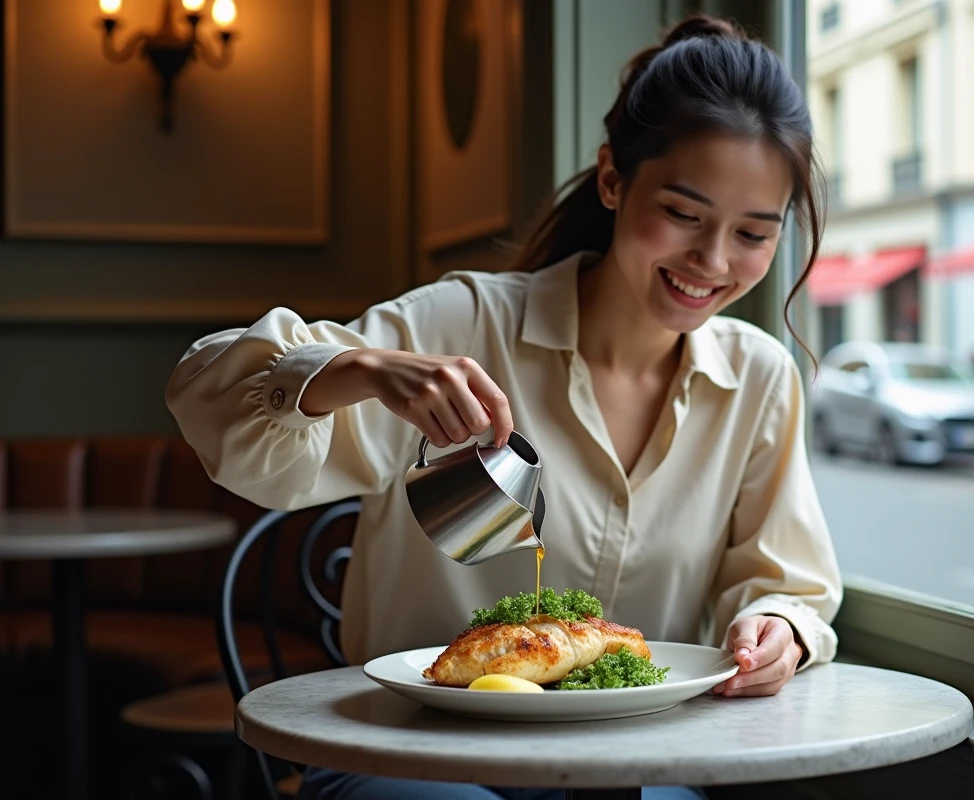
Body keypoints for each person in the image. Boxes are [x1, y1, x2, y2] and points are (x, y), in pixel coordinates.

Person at [166, 15, 841, 800]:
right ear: (613, 179)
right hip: (412, 752)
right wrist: (358, 370)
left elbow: (783, 576)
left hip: (632, 760)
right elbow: (206, 393)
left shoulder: (758, 378)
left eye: (754, 234)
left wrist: (780, 630)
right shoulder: (463, 325)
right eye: (686, 215)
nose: (714, 261)